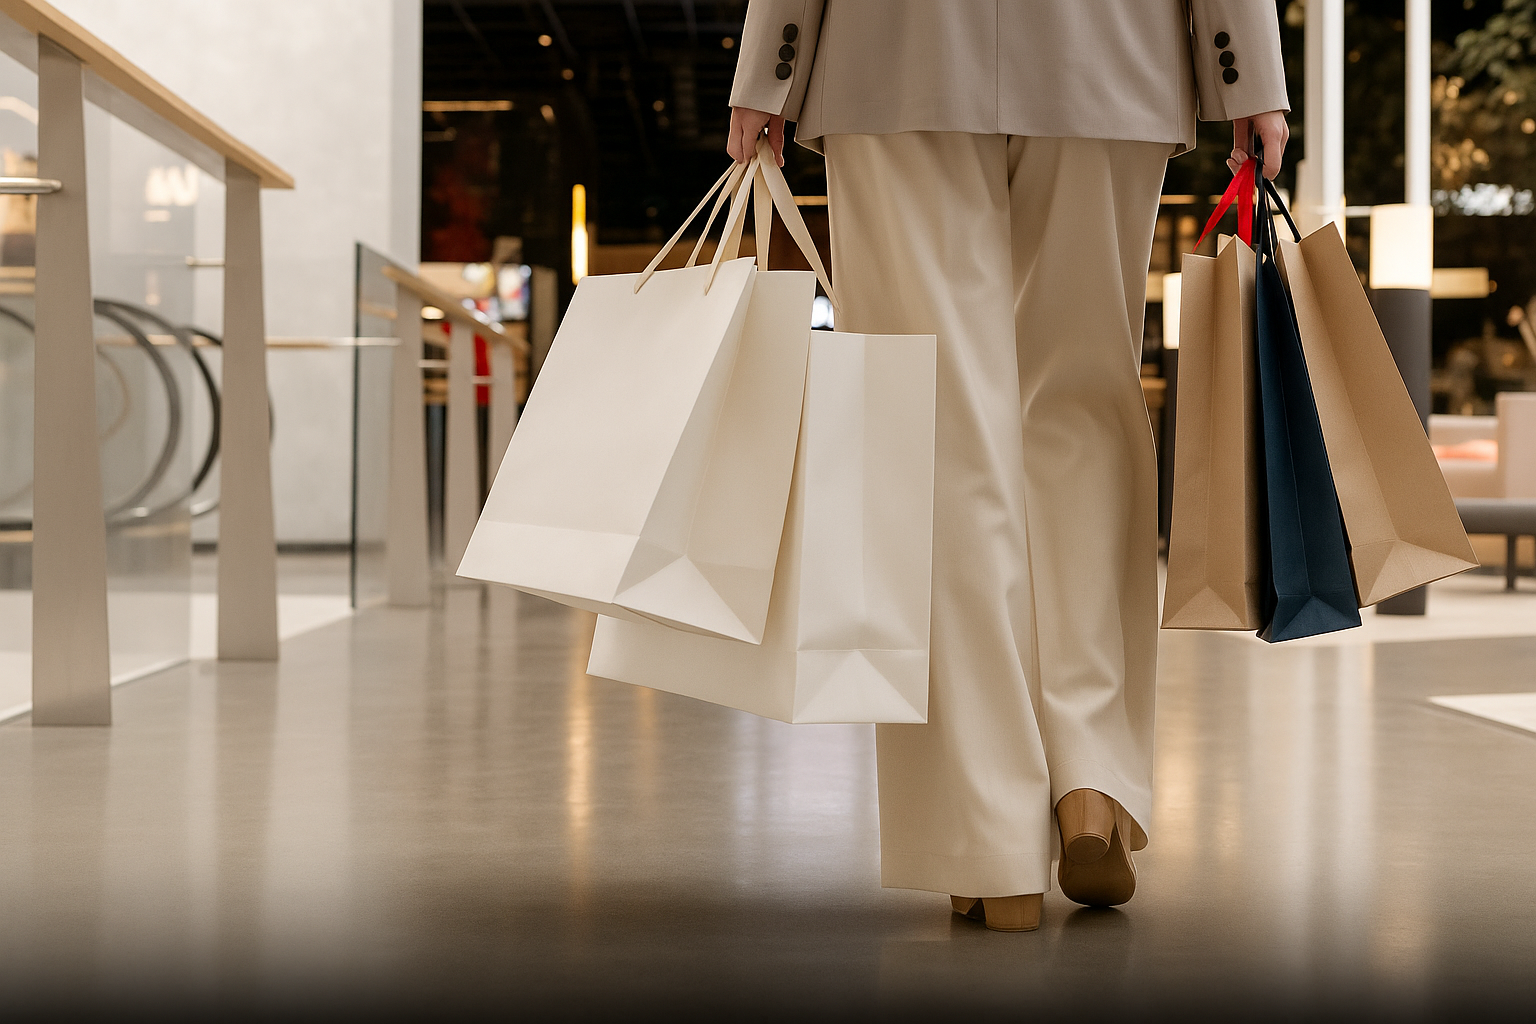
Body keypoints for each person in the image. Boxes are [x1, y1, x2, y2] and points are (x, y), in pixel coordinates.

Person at [725, 1, 1290, 933]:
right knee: (1081, 411)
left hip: (895, 53)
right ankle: (1090, 782)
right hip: (1108, 49)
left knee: (935, 424)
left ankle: (985, 828)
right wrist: (1248, 73)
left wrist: (770, 68)